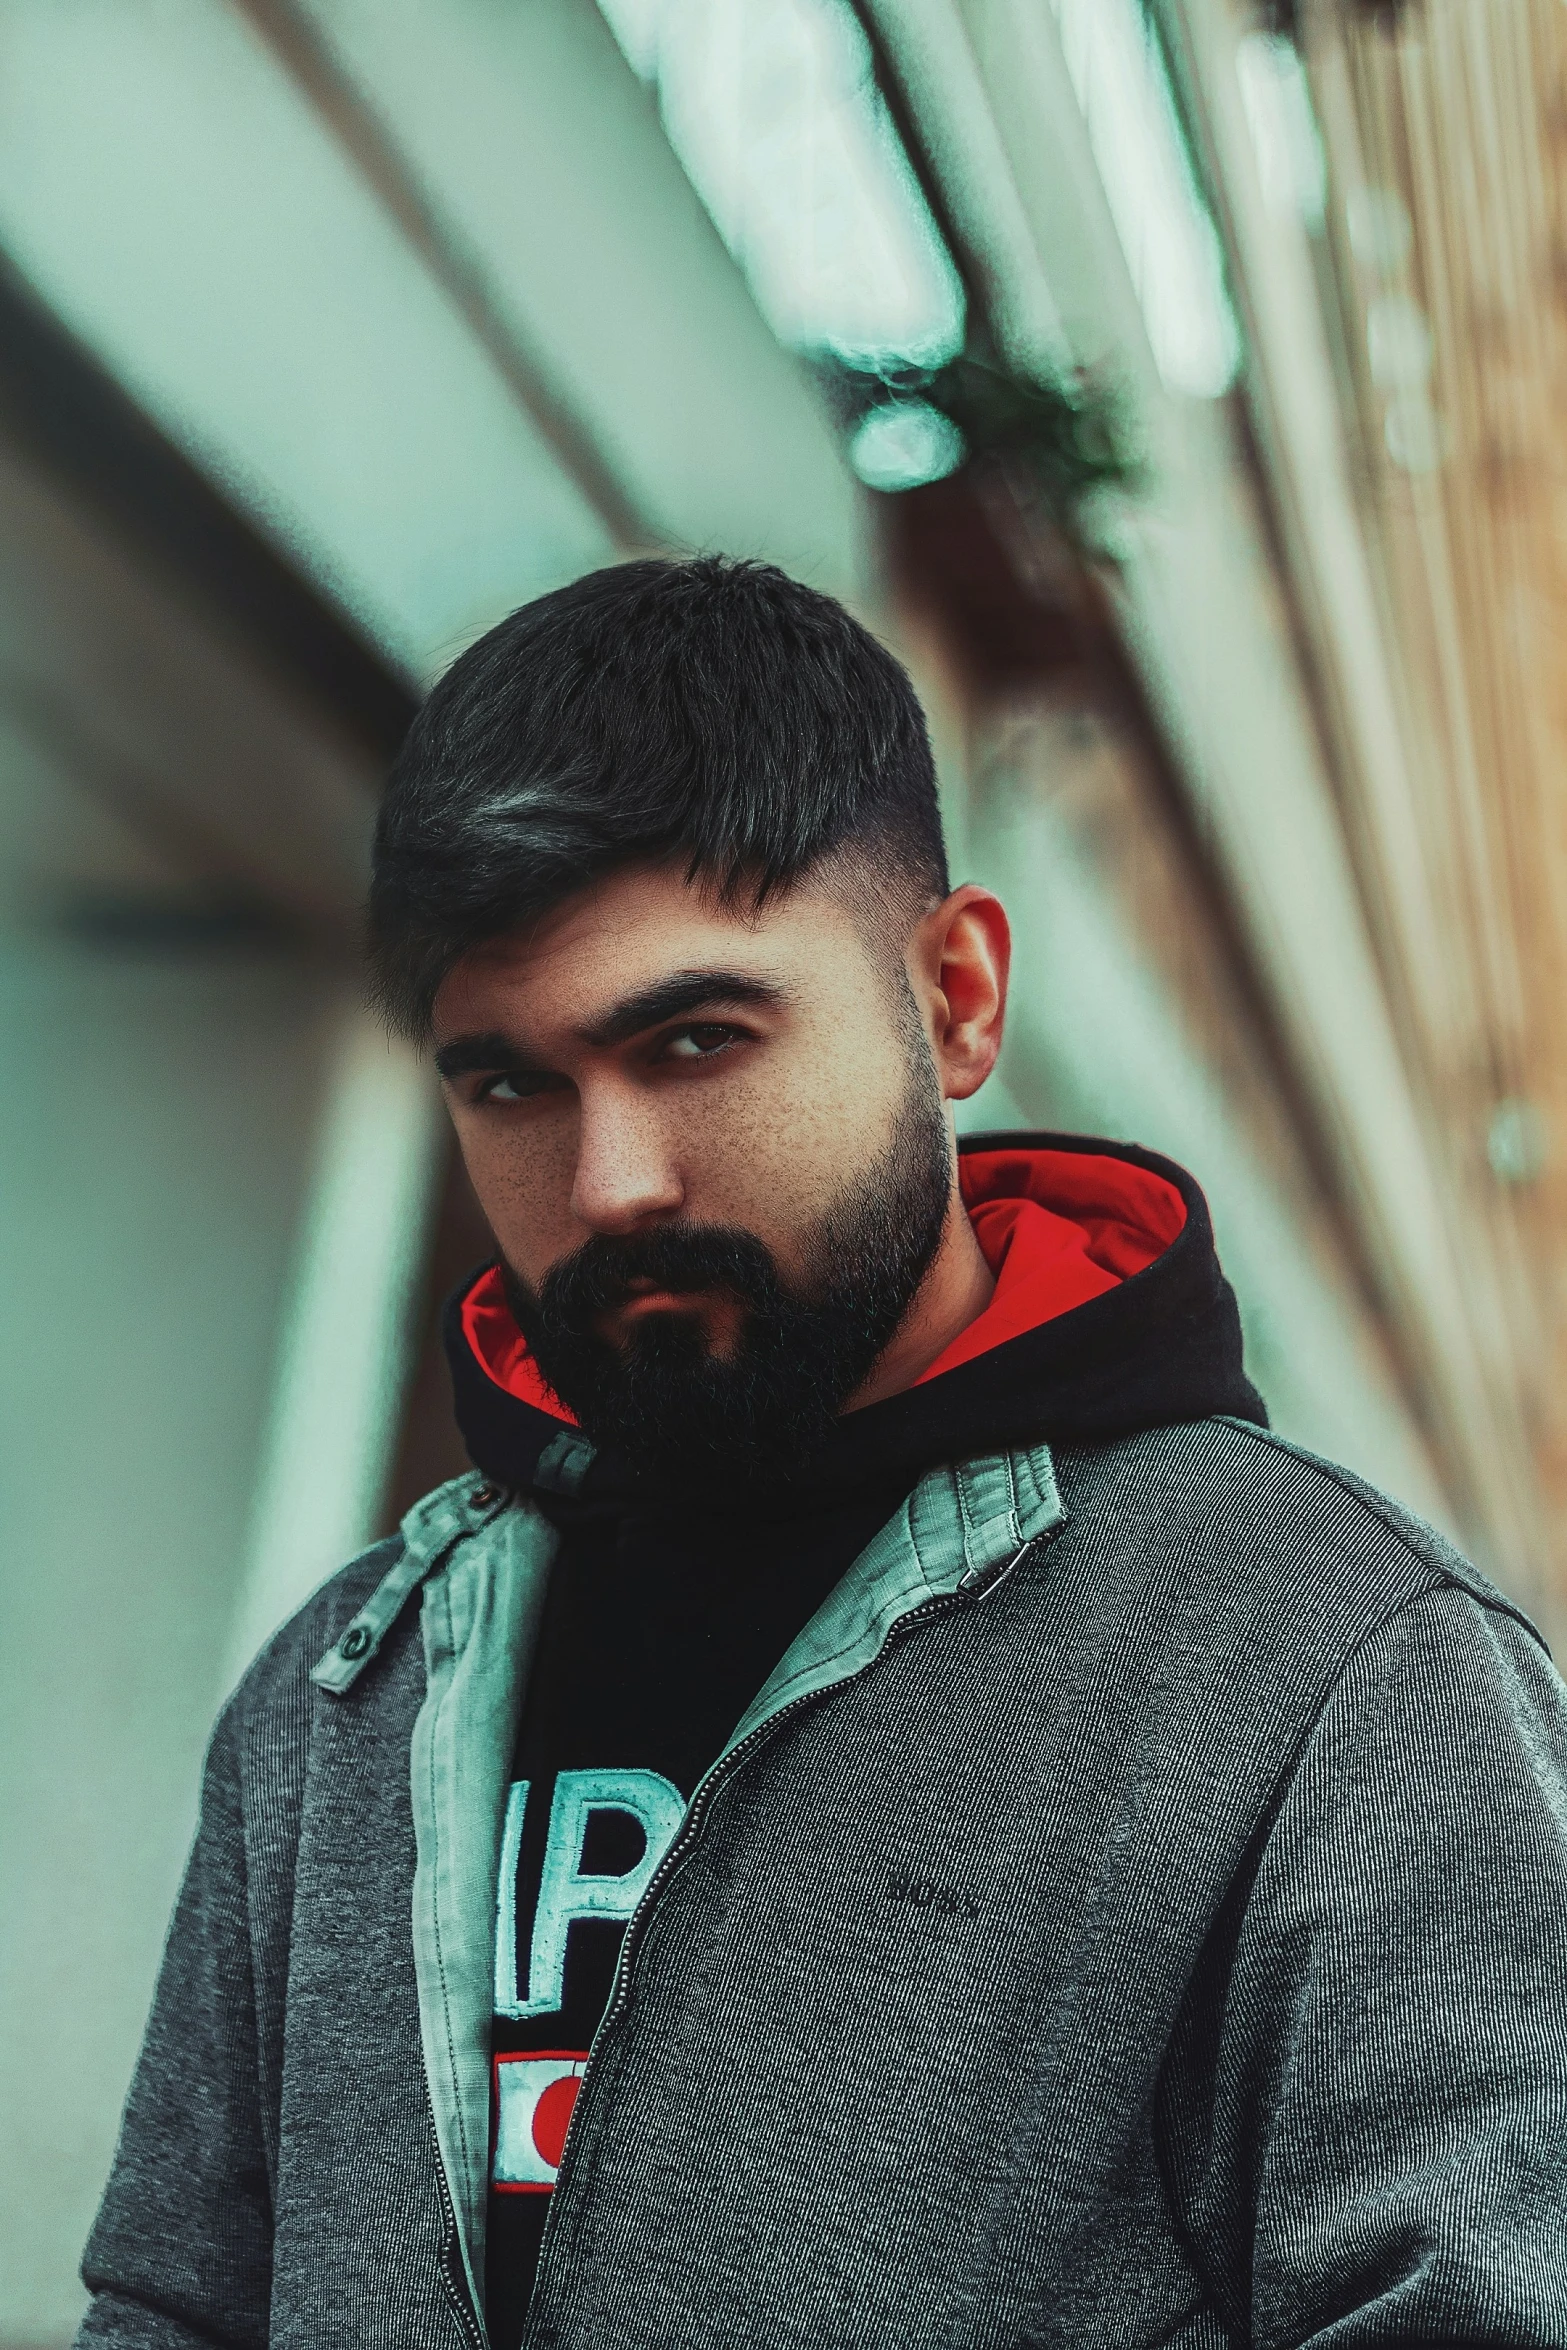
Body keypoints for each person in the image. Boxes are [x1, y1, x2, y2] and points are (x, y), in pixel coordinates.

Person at [77, 557, 1567, 2350]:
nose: (611, 1179)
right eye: (510, 1085)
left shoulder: (1336, 1666)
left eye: (695, 1039)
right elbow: (171, 2307)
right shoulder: (349, 1692)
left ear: (951, 998)